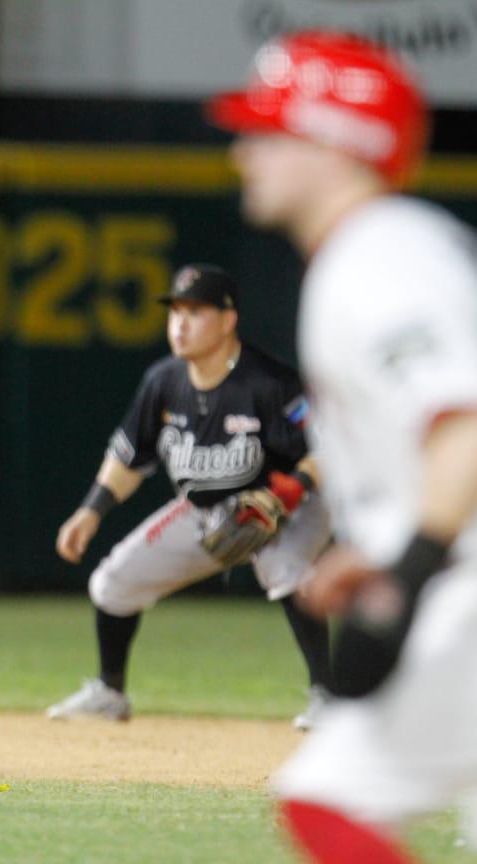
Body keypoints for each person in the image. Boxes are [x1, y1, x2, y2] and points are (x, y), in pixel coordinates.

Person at [209, 31, 477, 863]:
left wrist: (410, 566)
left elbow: (466, 421)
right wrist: (388, 552)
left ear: (334, 143)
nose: (240, 154)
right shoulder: (374, 253)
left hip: (461, 585)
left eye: (266, 131)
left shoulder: (379, 256)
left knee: (329, 797)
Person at [48, 264, 334, 730]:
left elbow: (332, 448)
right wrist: (90, 511)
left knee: (284, 568)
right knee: (112, 583)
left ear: (227, 320)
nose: (180, 324)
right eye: (175, 312)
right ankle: (109, 692)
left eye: (195, 312)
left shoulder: (270, 383)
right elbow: (127, 457)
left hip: (289, 505)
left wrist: (291, 489)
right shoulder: (163, 381)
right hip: (204, 510)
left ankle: (328, 697)